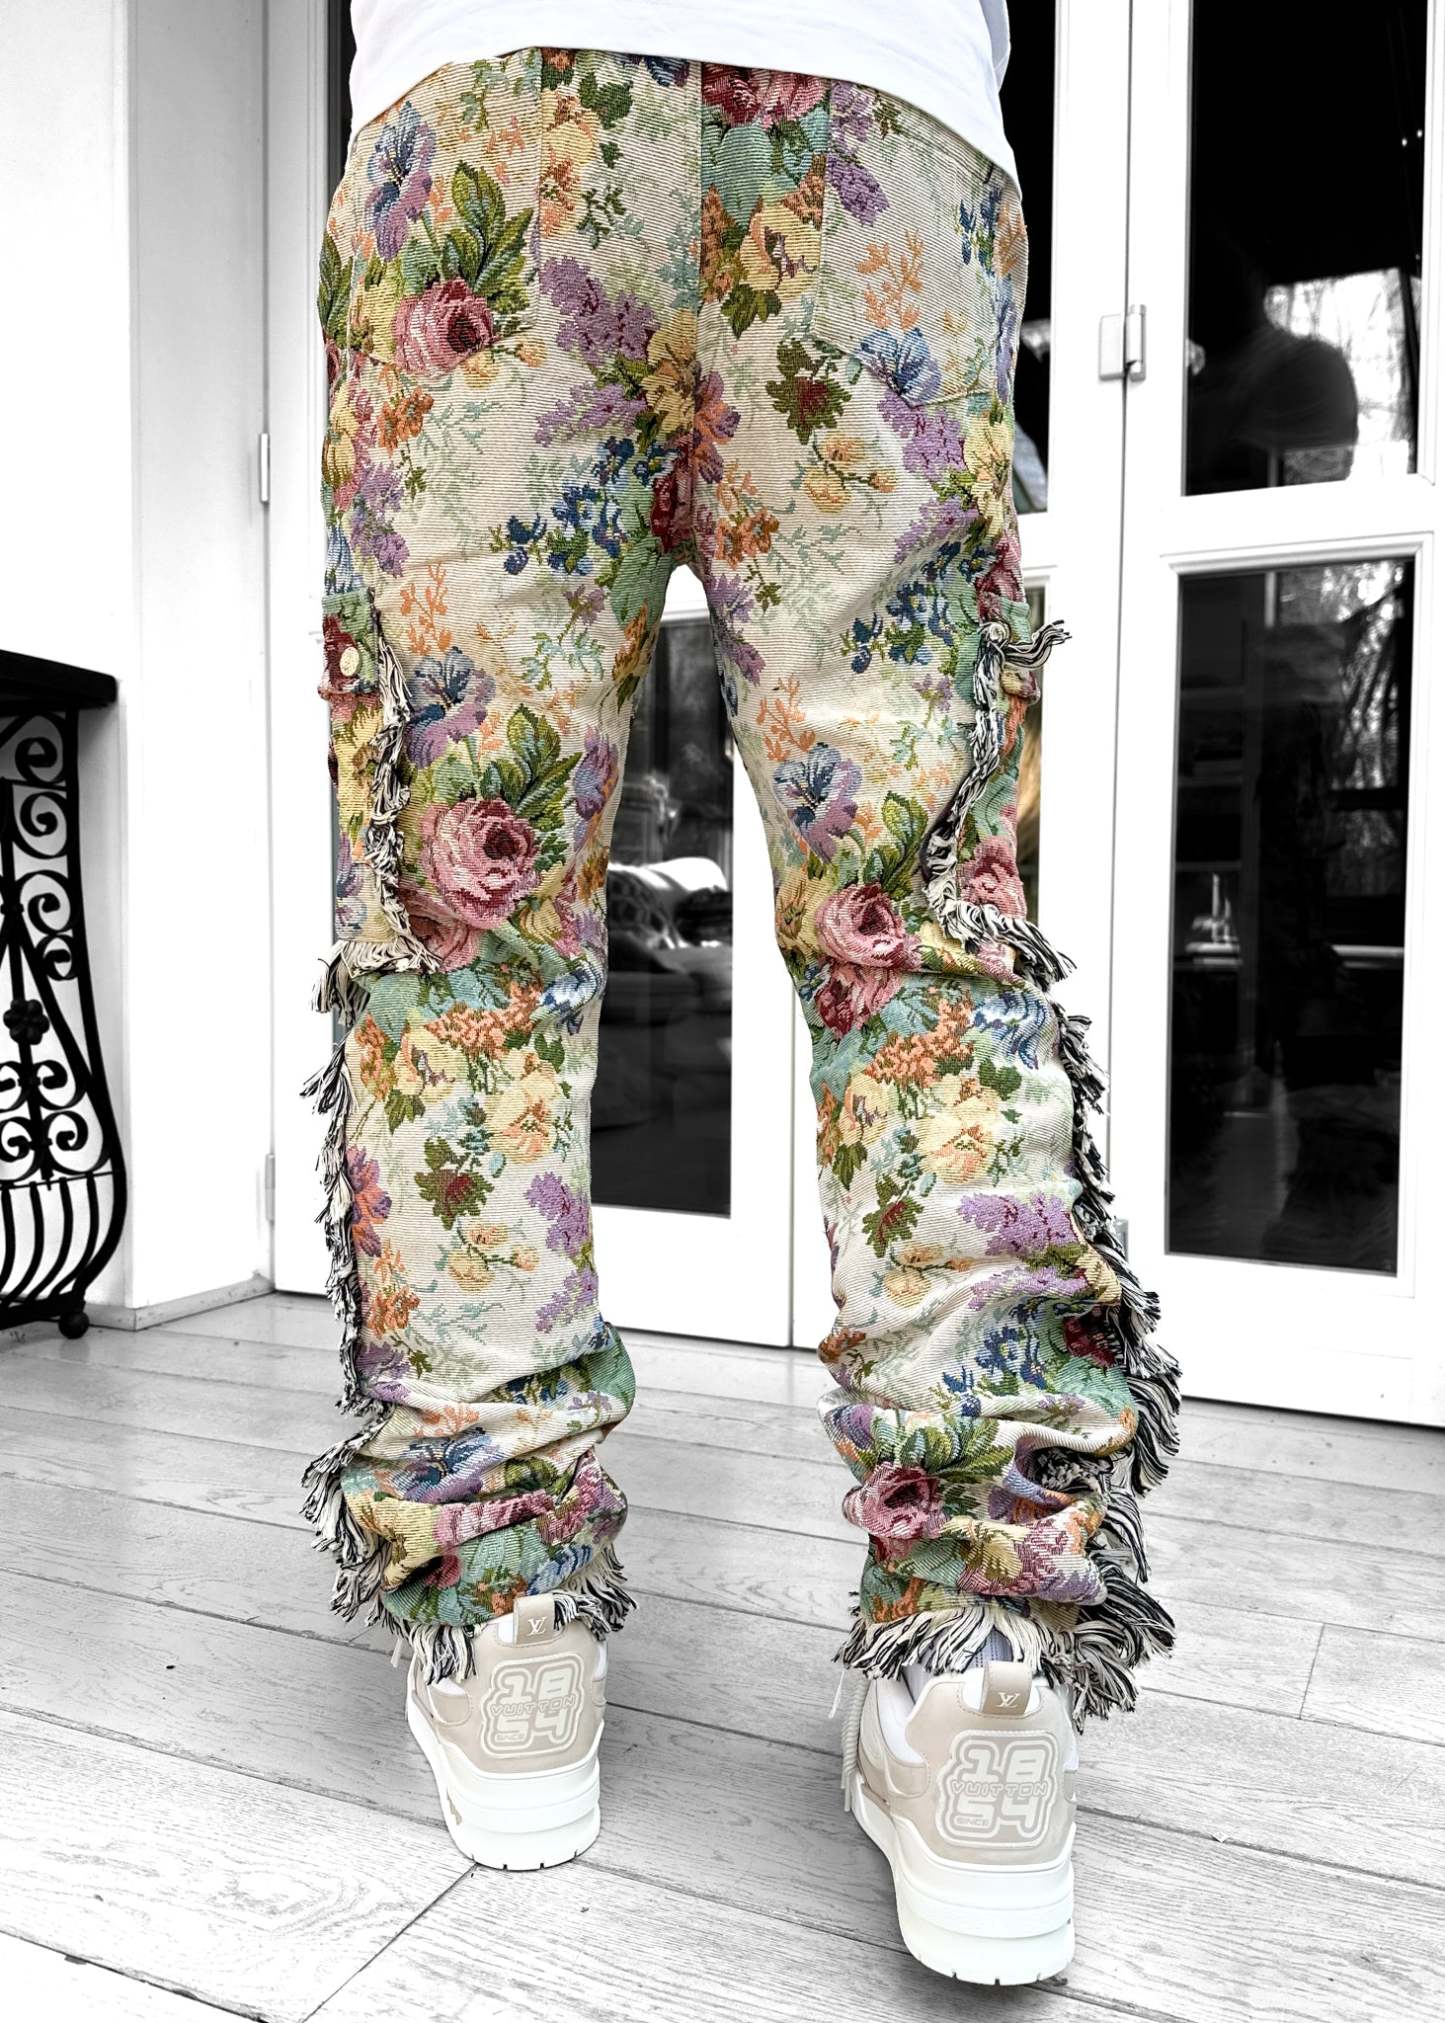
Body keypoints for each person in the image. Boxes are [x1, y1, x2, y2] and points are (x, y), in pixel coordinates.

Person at [308, 0, 1179, 1984]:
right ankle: (979, 1682)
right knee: (924, 928)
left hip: (491, 106)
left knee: (463, 935)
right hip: (884, 114)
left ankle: (510, 1635)